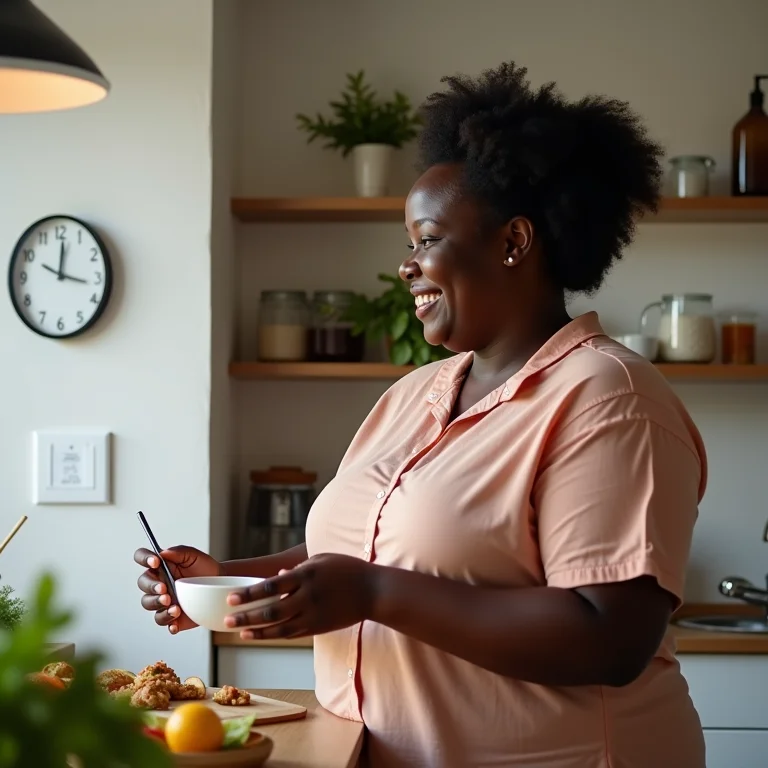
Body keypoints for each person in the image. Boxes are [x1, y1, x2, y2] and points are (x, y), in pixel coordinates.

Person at [136, 62, 707, 767]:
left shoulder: (609, 397)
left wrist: (375, 593)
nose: (407, 265)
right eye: (409, 243)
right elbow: (359, 554)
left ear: (514, 242)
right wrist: (226, 577)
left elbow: (609, 637)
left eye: (428, 239)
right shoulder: (414, 396)